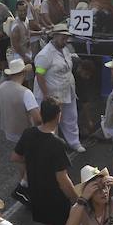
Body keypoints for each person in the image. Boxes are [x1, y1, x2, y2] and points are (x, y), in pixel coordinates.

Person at [35, 24, 84, 152]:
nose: (65, 40)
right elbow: (39, 74)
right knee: (52, 120)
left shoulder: (65, 49)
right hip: (53, 93)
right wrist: (46, 95)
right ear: (54, 36)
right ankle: (53, 145)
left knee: (71, 117)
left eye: (66, 38)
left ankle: (74, 142)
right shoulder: (44, 55)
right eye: (63, 38)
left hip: (67, 90)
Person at [0, 57, 40, 148]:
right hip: (25, 133)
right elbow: (37, 119)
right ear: (24, 72)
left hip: (8, 131)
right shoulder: (26, 93)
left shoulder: (0, 88)